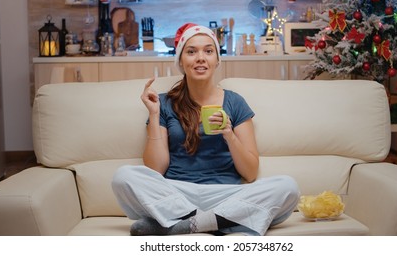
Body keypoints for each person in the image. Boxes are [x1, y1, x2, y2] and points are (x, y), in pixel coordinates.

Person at [111, 23, 300, 236]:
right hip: (177, 193)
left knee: (287, 187)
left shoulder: (235, 102)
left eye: (208, 51)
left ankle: (181, 226)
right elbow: (156, 169)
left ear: (217, 60)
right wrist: (154, 115)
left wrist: (229, 134)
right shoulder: (162, 104)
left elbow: (250, 172)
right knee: (123, 176)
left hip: (226, 194)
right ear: (181, 61)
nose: (200, 58)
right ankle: (222, 222)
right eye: (191, 52)